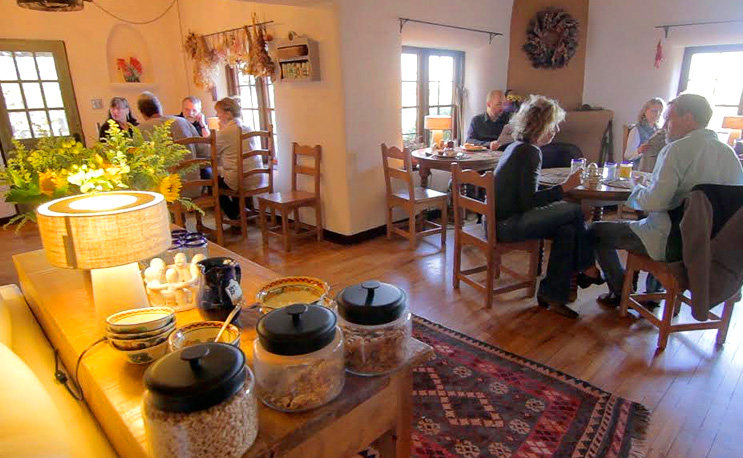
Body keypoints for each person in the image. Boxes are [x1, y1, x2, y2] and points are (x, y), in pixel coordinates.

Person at [590, 93, 743, 307]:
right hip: (712, 244)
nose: (664, 125)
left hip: (674, 242)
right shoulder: (729, 155)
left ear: (688, 118)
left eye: (669, 118)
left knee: (597, 231)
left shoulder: (677, 150)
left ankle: (620, 290)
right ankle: (652, 293)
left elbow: (656, 202)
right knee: (665, 221)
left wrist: (635, 191)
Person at [494, 95, 604, 318]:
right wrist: (565, 187)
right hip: (507, 224)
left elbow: (524, 199)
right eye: (551, 125)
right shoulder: (530, 152)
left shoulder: (516, 146)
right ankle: (587, 267)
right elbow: (528, 203)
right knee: (574, 210)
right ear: (539, 125)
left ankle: (553, 294)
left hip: (499, 219)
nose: (554, 131)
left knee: (568, 230)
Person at [213, 97, 263, 220]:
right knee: (228, 174)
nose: (217, 116)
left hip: (240, 179)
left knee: (214, 183)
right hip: (256, 176)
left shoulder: (226, 132)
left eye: (219, 113)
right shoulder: (247, 127)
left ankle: (234, 215)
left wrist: (220, 131)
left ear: (228, 114)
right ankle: (242, 210)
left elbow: (211, 152)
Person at [136, 91, 208, 159]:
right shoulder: (183, 122)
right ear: (160, 108)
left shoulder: (139, 130)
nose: (190, 113)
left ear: (142, 113)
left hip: (161, 171)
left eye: (194, 110)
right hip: (191, 170)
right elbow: (204, 152)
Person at [623, 98, 665, 170]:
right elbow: (627, 155)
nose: (657, 114)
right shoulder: (637, 130)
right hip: (640, 169)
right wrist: (639, 150)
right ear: (645, 111)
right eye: (654, 111)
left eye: (660, 112)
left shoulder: (660, 131)